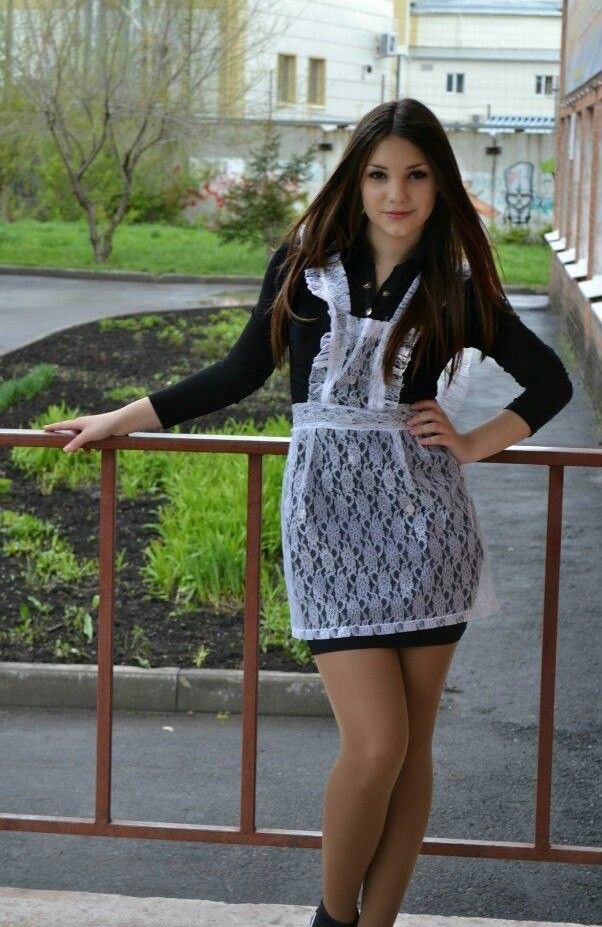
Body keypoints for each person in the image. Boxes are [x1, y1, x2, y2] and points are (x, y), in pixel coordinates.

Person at [44, 98, 573, 927]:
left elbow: (551, 382)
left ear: (440, 183)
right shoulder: (304, 267)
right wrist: (121, 418)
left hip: (429, 533)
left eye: (416, 175)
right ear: (355, 181)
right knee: (377, 744)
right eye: (379, 175)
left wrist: (473, 442)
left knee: (412, 751)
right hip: (327, 529)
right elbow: (238, 372)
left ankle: (376, 922)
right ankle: (333, 918)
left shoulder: (455, 288)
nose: (396, 193)